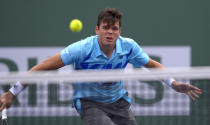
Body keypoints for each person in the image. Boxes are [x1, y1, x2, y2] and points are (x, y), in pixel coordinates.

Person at [0, 8, 202, 125]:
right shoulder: (82, 48)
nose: (110, 32)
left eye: (114, 29)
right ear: (97, 29)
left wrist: (173, 83)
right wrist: (12, 91)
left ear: (119, 31)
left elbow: (152, 64)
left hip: (118, 102)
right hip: (89, 103)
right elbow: (44, 67)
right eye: (105, 27)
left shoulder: (128, 47)